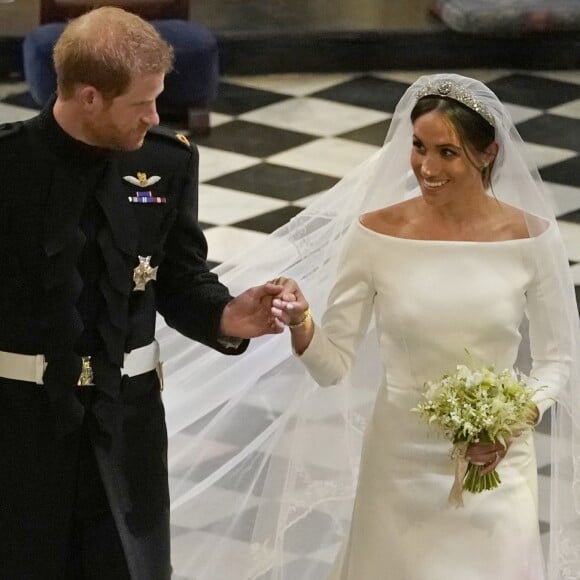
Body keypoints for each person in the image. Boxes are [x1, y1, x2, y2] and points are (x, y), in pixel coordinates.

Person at [158, 74, 579, 580]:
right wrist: (300, 322)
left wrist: (511, 423)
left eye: (448, 153)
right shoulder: (376, 234)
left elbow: (559, 358)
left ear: (488, 154)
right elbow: (332, 366)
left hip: (496, 461)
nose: (426, 167)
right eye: (419, 147)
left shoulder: (531, 238)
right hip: (399, 464)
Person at [0, 7, 285, 580]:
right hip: (19, 429)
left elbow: (181, 279)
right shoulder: (8, 165)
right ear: (88, 98)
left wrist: (228, 315)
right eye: (141, 103)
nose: (154, 115)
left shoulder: (165, 162)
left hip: (126, 427)